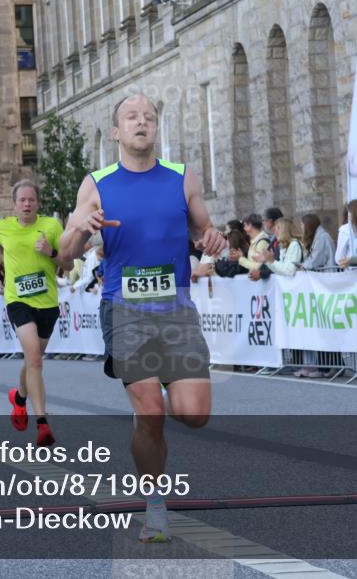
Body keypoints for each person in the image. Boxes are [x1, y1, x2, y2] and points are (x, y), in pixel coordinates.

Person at [59, 93, 226, 543]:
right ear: (116, 132)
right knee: (152, 411)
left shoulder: (181, 177)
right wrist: (82, 229)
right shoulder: (95, 184)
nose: (141, 122)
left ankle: (145, 418)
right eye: (131, 117)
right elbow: (64, 256)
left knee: (194, 414)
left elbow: (204, 231)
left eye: (149, 117)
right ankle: (155, 506)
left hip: (176, 310)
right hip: (125, 308)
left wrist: (213, 239)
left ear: (156, 129)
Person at [0, 180, 69, 447]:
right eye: (22, 200)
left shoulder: (52, 226)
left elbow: (68, 262)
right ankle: (42, 423)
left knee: (34, 358)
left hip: (47, 302)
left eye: (31, 200)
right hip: (17, 300)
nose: (26, 204)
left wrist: (51, 252)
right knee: (34, 356)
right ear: (14, 204)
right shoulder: (3, 227)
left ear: (38, 203)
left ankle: (19, 398)